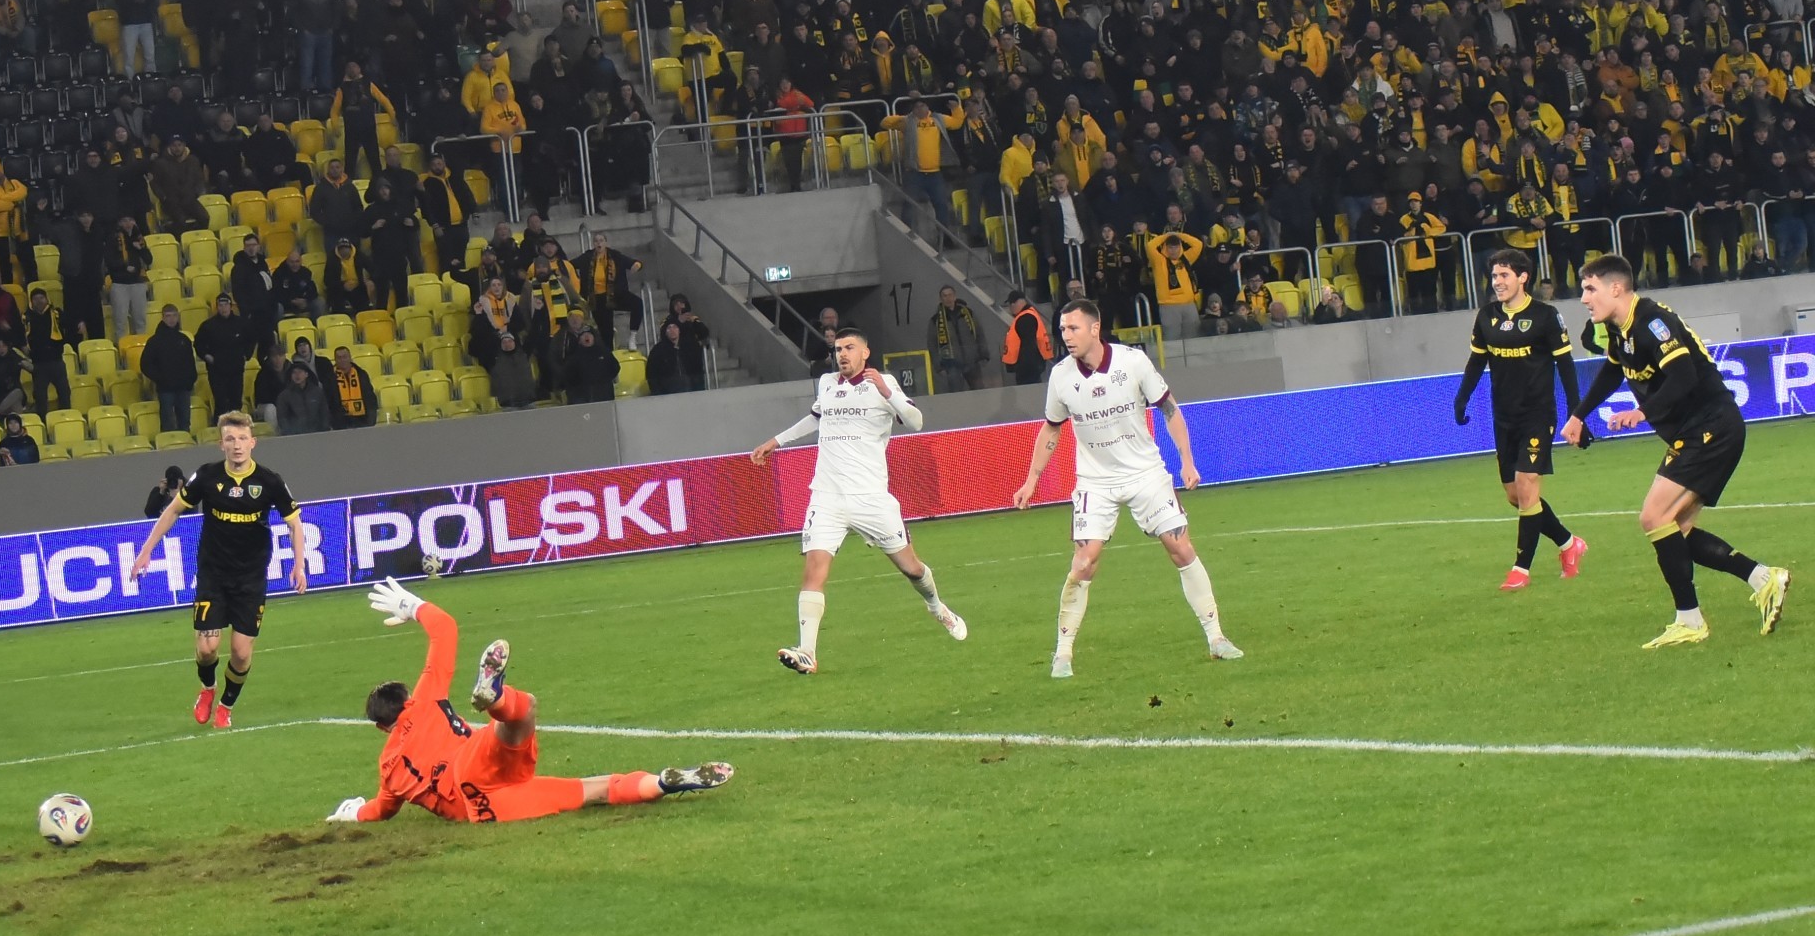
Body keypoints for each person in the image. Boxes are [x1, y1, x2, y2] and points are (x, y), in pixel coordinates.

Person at [327, 579, 733, 825]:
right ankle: (497, 699)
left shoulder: (389, 768)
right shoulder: (425, 701)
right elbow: (445, 628)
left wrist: (351, 813)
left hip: (483, 806)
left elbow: (381, 810)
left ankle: (662, 783)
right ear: (407, 699)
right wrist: (412, 606)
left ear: (382, 727)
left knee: (590, 792)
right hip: (474, 760)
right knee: (522, 714)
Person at [1563, 256, 1790, 646]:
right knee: (1675, 530)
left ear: (1616, 288)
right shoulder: (1619, 328)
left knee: (1654, 517)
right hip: (1698, 430)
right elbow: (1613, 370)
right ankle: (1763, 578)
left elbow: (1683, 375)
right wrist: (1578, 415)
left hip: (1711, 426)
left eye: (1590, 288)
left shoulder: (1653, 321)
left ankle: (1690, 620)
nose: (1584, 298)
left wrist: (1642, 411)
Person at [1011, 299, 1244, 678]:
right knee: (1084, 562)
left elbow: (1169, 408)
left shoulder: (1132, 362)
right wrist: (1031, 479)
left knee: (1181, 547)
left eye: (1073, 328)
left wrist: (1186, 461)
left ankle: (1216, 637)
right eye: (1063, 329)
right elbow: (1051, 428)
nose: (1066, 335)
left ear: (1094, 328)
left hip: (1145, 474)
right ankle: (1063, 655)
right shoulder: (1061, 376)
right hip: (1095, 481)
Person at [749, 327, 968, 674]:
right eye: (838, 349)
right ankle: (807, 652)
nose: (842, 354)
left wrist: (886, 391)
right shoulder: (827, 384)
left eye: (849, 348)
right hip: (827, 496)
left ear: (865, 352)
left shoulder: (884, 383)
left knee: (912, 568)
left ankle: (936, 606)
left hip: (871, 499)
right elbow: (816, 417)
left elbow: (916, 422)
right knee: (813, 570)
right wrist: (775, 441)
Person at [128, 412, 310, 730]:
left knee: (240, 652)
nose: (237, 445)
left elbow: (295, 524)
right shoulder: (207, 476)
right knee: (206, 649)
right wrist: (146, 551)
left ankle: (226, 706)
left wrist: (299, 564)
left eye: (242, 439)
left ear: (253, 442)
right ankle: (208, 688)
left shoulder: (269, 481)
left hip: (251, 578)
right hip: (213, 574)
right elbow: (173, 511)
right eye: (230, 439)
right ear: (221, 444)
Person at [1455, 250, 1588, 592]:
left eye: (1504, 275)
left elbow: (1565, 364)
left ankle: (1520, 570)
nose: (1497, 282)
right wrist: (1462, 396)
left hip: (1537, 415)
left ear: (1522, 277)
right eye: (1494, 276)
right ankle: (1569, 543)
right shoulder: (1486, 316)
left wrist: (1577, 412)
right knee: (1516, 496)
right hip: (1504, 417)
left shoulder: (1545, 316)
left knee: (1527, 486)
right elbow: (1476, 361)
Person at [141, 303, 199, 434]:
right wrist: (160, 379)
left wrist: (191, 380)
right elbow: (145, 364)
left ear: (178, 317)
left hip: (184, 388)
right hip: (165, 389)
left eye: (174, 315)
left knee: (185, 423)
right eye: (168, 316)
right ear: (162, 318)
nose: (171, 319)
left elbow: (191, 363)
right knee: (167, 423)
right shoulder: (155, 341)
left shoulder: (184, 339)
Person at [195, 293, 252, 417]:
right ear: (217, 307)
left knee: (236, 403)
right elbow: (198, 344)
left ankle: (236, 427)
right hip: (217, 371)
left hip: (236, 369)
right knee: (221, 403)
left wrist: (246, 355)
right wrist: (207, 356)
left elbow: (250, 340)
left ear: (231, 306)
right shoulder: (208, 326)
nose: (223, 308)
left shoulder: (241, 323)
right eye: (220, 305)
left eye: (226, 305)